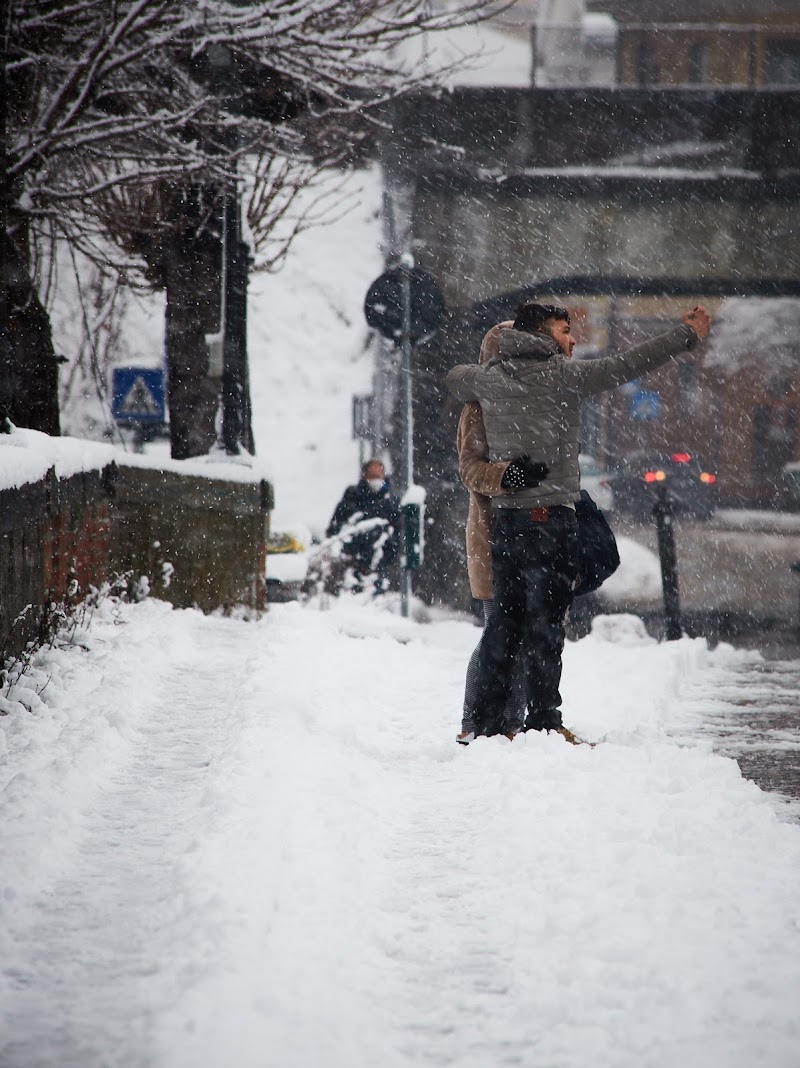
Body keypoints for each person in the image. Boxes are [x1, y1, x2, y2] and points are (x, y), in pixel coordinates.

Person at [446, 300, 711, 740]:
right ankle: (543, 724)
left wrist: (481, 381)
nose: (572, 339)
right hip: (548, 521)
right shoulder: (563, 377)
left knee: (505, 625)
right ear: (542, 334)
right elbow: (628, 363)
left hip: (508, 523)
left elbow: (455, 378)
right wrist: (684, 335)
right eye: (564, 330)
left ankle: (488, 725)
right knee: (545, 629)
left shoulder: (487, 381)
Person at [325, 459, 400, 594]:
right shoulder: (352, 497)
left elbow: (398, 532)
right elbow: (335, 527)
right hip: (352, 561)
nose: (375, 479)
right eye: (372, 476)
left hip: (381, 563)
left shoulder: (391, 502)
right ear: (364, 476)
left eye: (378, 475)